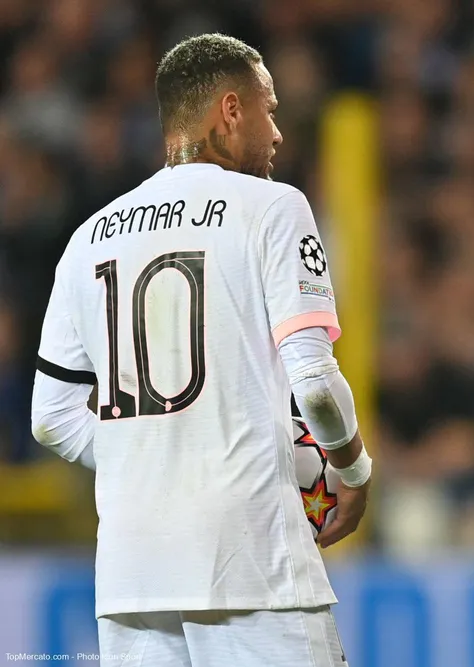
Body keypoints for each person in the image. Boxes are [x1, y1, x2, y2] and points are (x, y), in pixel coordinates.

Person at [29, 33, 369, 667]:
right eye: (269, 108)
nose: (278, 134)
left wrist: (156, 452)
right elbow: (316, 383)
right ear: (231, 110)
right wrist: (352, 471)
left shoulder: (89, 237)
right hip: (252, 560)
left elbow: (51, 418)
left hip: (133, 575)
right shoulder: (272, 207)